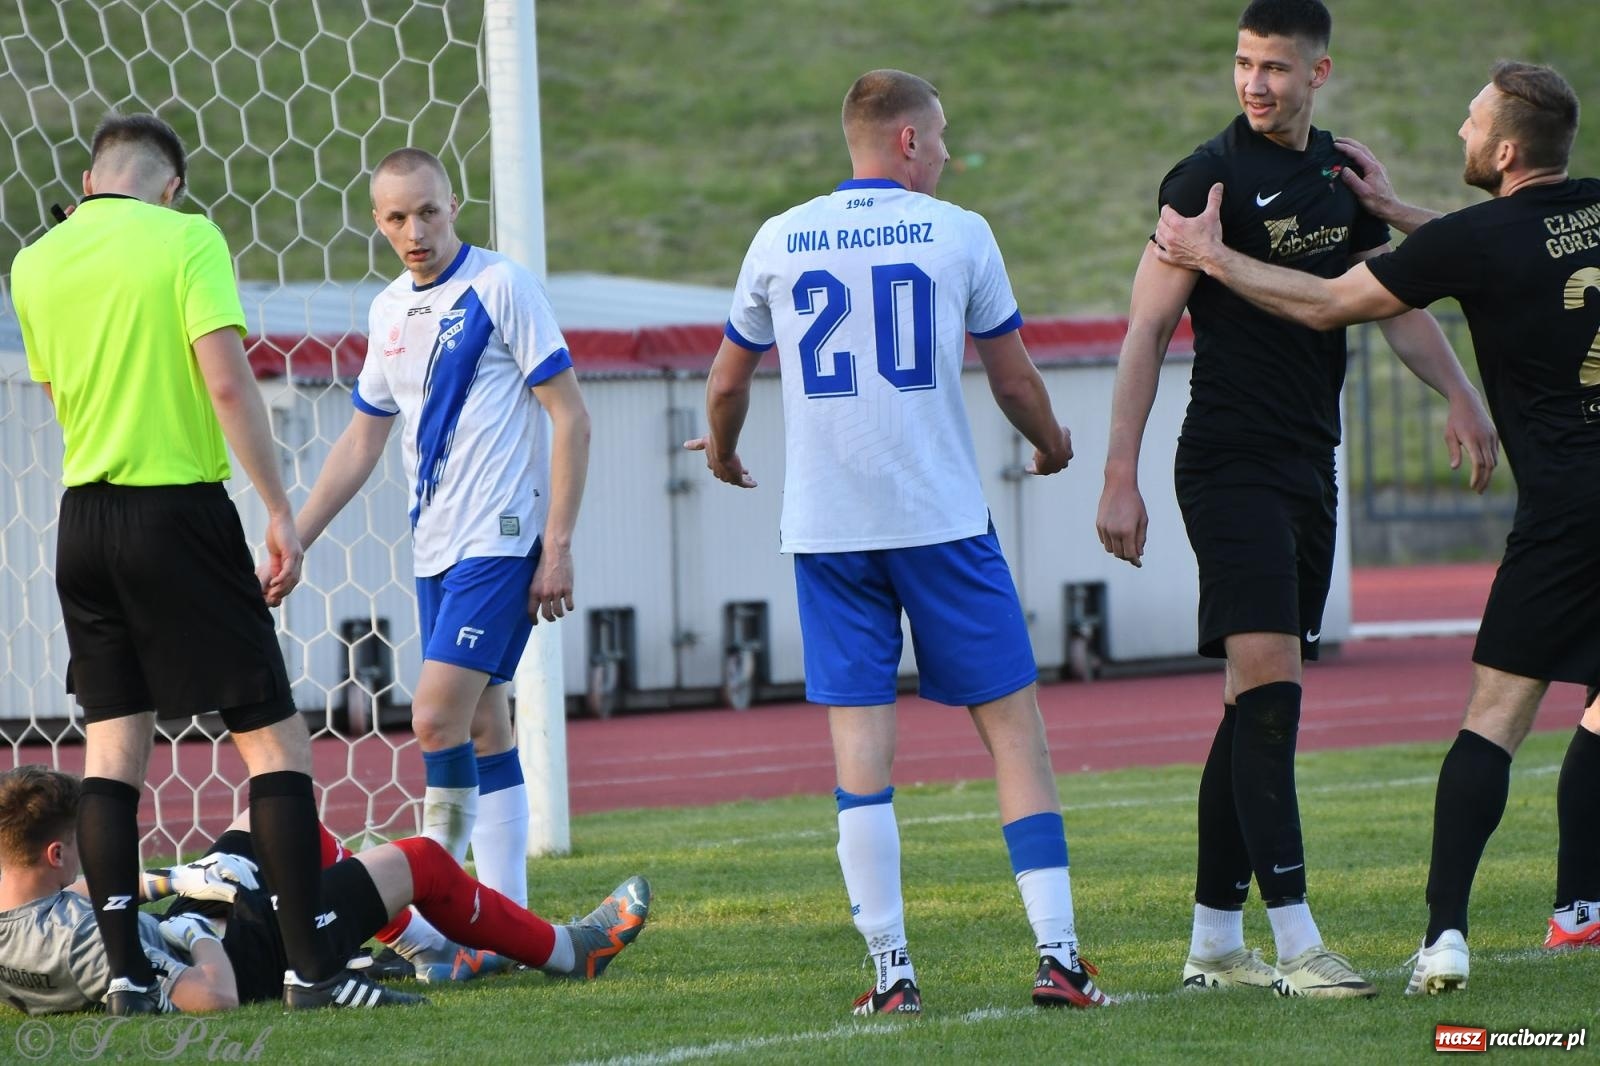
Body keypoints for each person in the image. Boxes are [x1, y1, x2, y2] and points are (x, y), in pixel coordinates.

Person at [1153, 59, 1600, 995]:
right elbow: (1513, 243)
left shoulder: (1481, 238)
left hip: (1571, 511)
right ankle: (1581, 910)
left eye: (1473, 121)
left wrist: (1212, 257)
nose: (1462, 131)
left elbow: (1327, 304)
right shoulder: (1584, 209)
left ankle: (1444, 937)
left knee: (1495, 720)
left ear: (1505, 152)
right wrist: (1396, 213)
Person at [1094, 0, 1501, 1000]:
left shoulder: (1339, 175)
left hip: (1308, 465)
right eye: (1243, 63)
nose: (1255, 83)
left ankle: (1212, 945)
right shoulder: (1203, 181)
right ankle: (1296, 945)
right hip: (1228, 460)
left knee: (1252, 702)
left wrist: (1458, 393)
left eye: (1275, 67)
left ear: (1318, 72)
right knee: (1273, 689)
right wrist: (1118, 474)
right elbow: (1145, 332)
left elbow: (1388, 301)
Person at [686, 68, 1110, 1014]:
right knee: (1015, 736)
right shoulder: (960, 233)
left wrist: (721, 449)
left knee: (860, 755)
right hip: (940, 521)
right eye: (942, 136)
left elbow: (726, 384)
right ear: (908, 141)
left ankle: (892, 974)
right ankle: (1059, 958)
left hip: (829, 530)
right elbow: (1013, 381)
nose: (949, 153)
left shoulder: (779, 235)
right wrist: (1053, 444)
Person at [9, 113, 411, 1011]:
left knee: (113, 749)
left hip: (83, 519)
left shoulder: (34, 263)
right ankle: (313, 970)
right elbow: (227, 381)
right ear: (171, 186)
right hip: (178, 510)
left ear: (89, 181)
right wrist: (279, 511)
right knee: (274, 740)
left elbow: (58, 393)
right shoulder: (186, 238)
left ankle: (126, 975)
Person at [284, 148, 591, 932]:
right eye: (397, 217)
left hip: (502, 538)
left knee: (432, 719)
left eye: (427, 211)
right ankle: (510, 918)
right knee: (485, 724)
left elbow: (570, 416)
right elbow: (362, 439)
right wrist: (296, 536)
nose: (415, 231)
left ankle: (443, 922)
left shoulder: (502, 286)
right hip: (435, 549)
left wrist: (556, 544)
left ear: (454, 205)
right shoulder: (388, 310)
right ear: (377, 222)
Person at [0, 766, 651, 1015]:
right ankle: (573, 951)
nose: (98, 857)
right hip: (244, 951)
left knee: (272, 817)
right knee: (423, 861)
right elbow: (214, 997)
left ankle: (430, 950)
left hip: (194, 917)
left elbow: (84, 896)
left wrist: (177, 880)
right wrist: (196, 931)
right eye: (84, 845)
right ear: (56, 853)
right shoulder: (84, 939)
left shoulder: (20, 919)